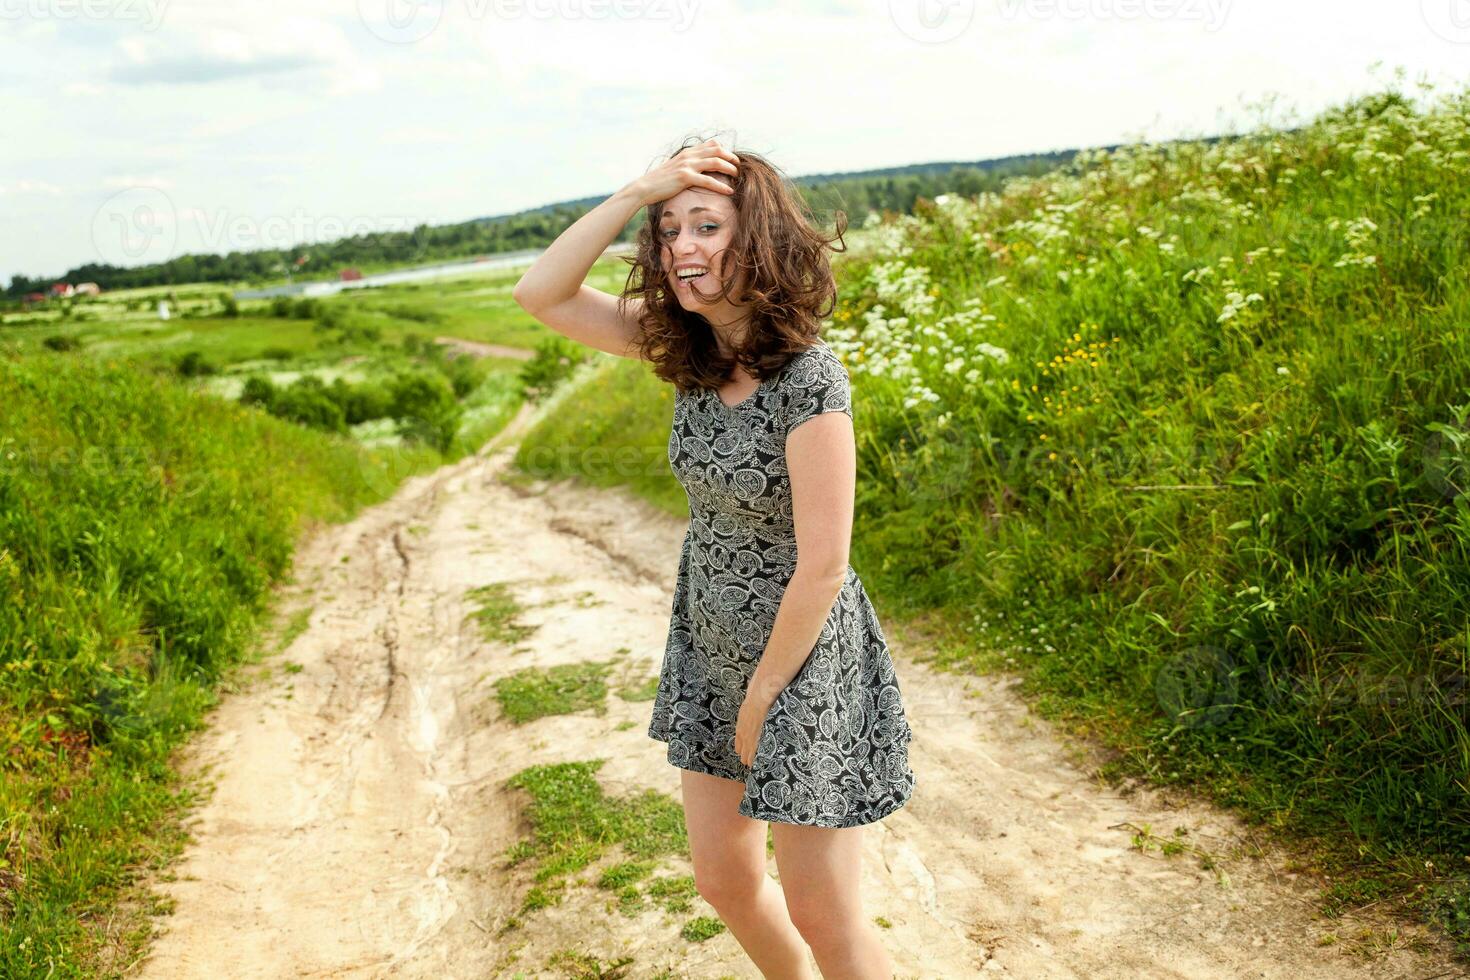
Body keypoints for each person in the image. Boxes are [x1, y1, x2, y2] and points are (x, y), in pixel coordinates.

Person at [513, 136, 915, 980]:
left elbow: (824, 565)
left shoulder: (810, 381)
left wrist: (765, 696)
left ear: (757, 240)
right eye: (669, 232)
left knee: (824, 912)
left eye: (706, 226)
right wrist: (634, 191)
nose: (682, 248)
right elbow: (540, 293)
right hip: (710, 643)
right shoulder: (689, 356)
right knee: (725, 880)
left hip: (800, 659)